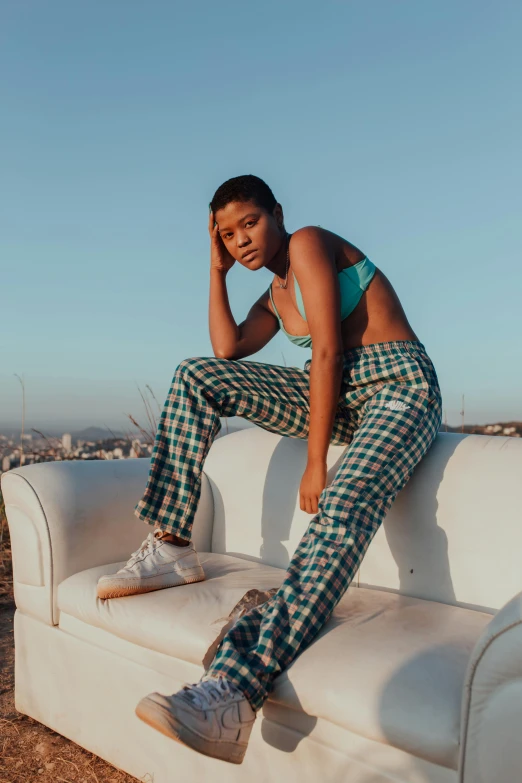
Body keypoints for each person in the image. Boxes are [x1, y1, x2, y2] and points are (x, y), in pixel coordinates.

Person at [97, 174, 442, 764]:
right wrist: (215, 272)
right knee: (197, 375)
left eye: (250, 224)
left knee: (343, 502)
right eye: (228, 235)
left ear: (278, 214)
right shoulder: (275, 294)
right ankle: (174, 541)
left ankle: (234, 688)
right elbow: (228, 348)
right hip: (340, 396)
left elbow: (329, 350)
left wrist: (316, 463)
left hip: (398, 388)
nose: (241, 241)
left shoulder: (308, 242)